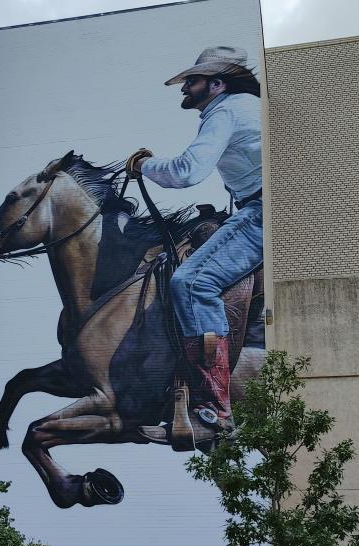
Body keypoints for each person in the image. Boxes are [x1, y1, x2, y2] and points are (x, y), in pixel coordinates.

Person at [126, 46, 262, 445]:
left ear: (217, 84)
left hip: (261, 211)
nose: (185, 87)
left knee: (190, 283)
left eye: (193, 80)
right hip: (257, 205)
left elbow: (187, 172)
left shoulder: (226, 110)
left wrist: (143, 164)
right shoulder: (246, 107)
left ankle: (214, 412)